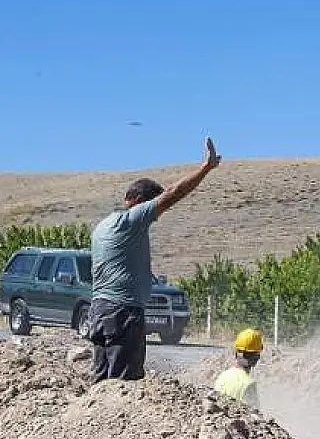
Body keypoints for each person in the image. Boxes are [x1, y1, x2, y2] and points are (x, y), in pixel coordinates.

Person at [88, 137, 221, 382]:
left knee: (101, 382)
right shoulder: (131, 221)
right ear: (139, 201)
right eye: (152, 207)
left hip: (100, 310)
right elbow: (174, 194)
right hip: (123, 313)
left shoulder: (102, 225)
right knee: (122, 387)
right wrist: (206, 167)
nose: (155, 216)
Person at [214, 328, 264, 408]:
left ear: (236, 353)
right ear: (256, 358)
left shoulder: (223, 376)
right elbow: (255, 415)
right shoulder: (249, 384)